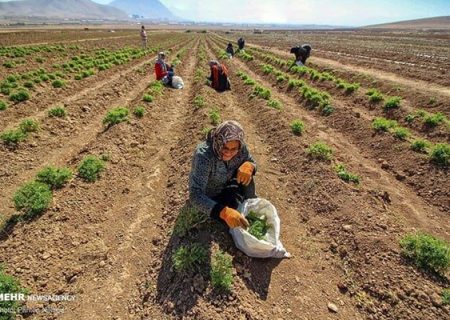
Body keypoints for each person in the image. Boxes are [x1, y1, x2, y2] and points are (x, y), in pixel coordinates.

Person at [189, 120, 257, 229]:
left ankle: (251, 206)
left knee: (247, 173)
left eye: (233, 149)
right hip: (211, 195)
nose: (229, 152)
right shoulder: (204, 156)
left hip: (229, 183)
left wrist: (250, 165)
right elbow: (195, 195)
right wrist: (224, 212)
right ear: (218, 141)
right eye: (225, 147)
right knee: (227, 221)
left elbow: (251, 161)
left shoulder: (241, 148)